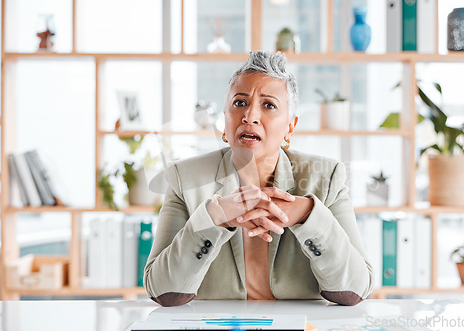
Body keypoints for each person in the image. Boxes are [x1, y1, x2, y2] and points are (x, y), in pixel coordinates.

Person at [144, 51, 374, 307]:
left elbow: (356, 289)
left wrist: (309, 216)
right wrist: (213, 218)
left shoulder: (326, 178)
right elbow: (162, 290)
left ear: (290, 127)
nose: (250, 116)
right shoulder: (184, 177)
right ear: (224, 121)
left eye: (268, 105)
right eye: (240, 103)